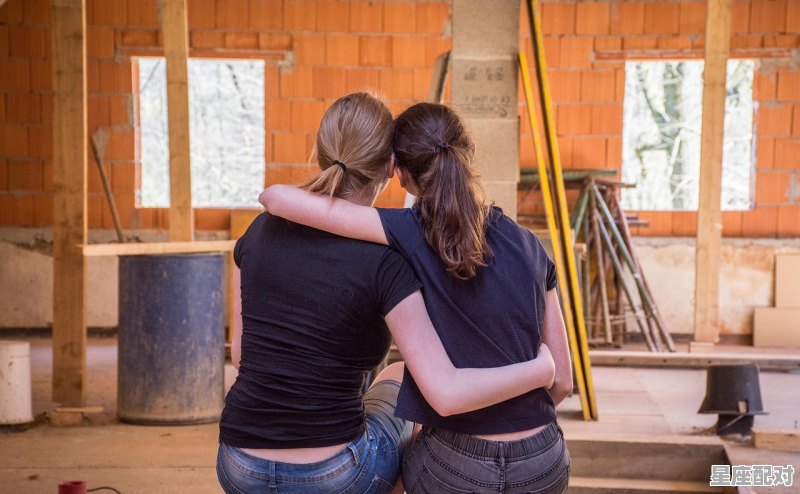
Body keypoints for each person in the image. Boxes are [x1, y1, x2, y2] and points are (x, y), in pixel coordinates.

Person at [218, 93, 557, 494]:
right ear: (390, 167)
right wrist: (540, 368)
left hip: (238, 463)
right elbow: (445, 390)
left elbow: (240, 355)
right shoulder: (389, 257)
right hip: (337, 476)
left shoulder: (256, 233)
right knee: (400, 379)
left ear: (322, 149)